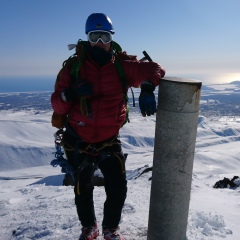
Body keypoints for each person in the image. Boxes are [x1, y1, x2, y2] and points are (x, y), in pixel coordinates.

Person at [51, 13, 165, 240]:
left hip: (108, 138)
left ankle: (110, 229)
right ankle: (89, 227)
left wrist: (147, 88)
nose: (100, 42)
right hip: (79, 138)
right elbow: (57, 104)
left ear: (111, 38)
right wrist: (71, 93)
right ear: (87, 38)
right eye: (95, 36)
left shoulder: (123, 66)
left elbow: (155, 69)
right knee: (82, 188)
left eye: (104, 36)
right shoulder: (73, 69)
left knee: (118, 187)